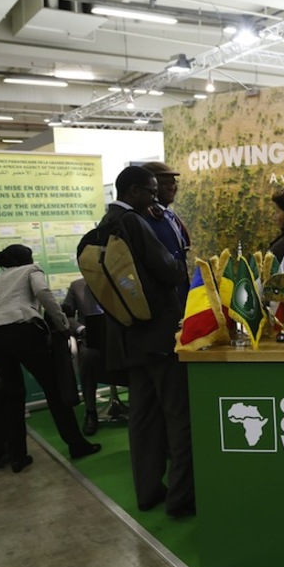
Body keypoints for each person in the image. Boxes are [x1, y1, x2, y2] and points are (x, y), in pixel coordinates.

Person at [97, 166, 194, 517]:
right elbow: (168, 270)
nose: (156, 197)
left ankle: (148, 491)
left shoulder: (103, 225)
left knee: (142, 420)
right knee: (178, 417)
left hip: (129, 338)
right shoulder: (135, 223)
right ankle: (182, 499)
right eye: (151, 190)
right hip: (160, 335)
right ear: (135, 191)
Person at [0, 244, 101, 473]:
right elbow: (44, 293)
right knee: (54, 391)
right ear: (27, 259)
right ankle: (77, 445)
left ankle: (17, 457)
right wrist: (63, 325)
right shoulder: (30, 270)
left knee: (13, 396)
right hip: (24, 332)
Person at [61, 278, 127, 436]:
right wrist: (81, 329)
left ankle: (142, 406)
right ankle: (91, 411)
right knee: (88, 357)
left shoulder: (119, 280)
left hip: (120, 337)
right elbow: (65, 316)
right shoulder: (76, 286)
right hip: (91, 340)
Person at [141, 161, 190, 304]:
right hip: (162, 297)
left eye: (173, 182)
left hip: (179, 291)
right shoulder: (146, 217)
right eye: (165, 183)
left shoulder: (168, 215)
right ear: (152, 187)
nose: (172, 187)